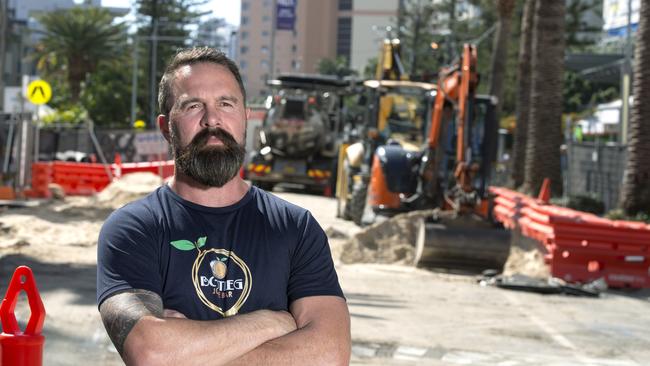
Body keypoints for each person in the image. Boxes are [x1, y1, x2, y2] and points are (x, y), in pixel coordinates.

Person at [96, 47, 351, 365]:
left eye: (226, 104)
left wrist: (190, 350)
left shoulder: (296, 228)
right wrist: (274, 322)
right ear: (166, 127)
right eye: (192, 106)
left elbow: (331, 354)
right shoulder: (134, 229)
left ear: (245, 117)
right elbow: (152, 355)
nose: (212, 119)